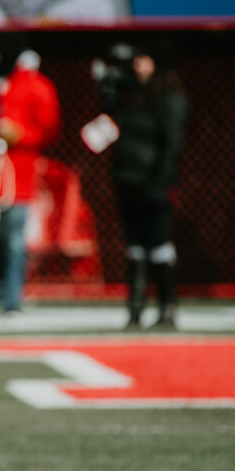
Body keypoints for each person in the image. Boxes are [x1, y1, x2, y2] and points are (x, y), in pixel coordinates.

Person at [98, 40, 187, 329]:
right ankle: (135, 308)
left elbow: (172, 143)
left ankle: (167, 307)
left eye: (144, 60)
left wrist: (161, 181)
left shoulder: (169, 97)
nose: (137, 67)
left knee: (159, 244)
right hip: (128, 178)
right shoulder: (131, 95)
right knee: (135, 245)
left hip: (153, 181)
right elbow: (115, 127)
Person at [0, 33, 61, 316]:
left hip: (18, 176)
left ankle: (11, 300)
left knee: (13, 241)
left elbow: (48, 128)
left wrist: (20, 133)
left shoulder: (35, 85)